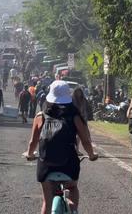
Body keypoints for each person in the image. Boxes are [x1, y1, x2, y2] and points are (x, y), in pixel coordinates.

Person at [23, 80, 98, 214]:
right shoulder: (74, 115)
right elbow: (85, 140)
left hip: (46, 164)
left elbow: (33, 142)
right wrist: (91, 155)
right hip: (68, 163)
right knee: (73, 187)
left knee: (47, 201)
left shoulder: (40, 116)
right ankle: (73, 210)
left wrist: (29, 154)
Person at [72, 87, 90, 155]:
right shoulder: (72, 99)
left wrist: (85, 118)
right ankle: (73, 149)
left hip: (82, 118)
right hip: (74, 118)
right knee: (73, 135)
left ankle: (77, 149)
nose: (78, 93)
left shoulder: (83, 100)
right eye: (77, 92)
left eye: (80, 92)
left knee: (80, 135)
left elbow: (85, 109)